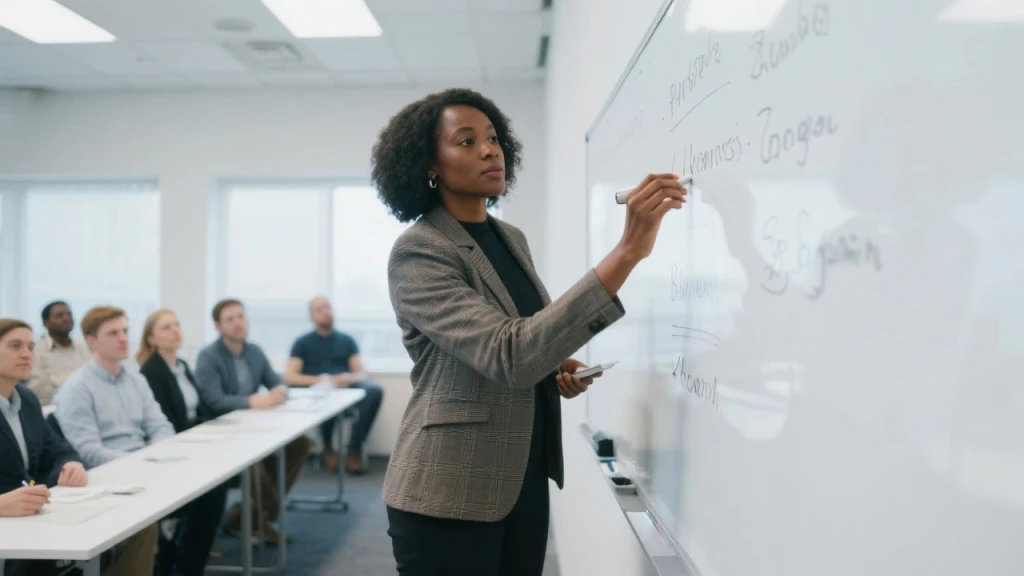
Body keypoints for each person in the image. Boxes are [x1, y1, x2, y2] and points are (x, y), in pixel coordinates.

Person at [371, 87, 686, 575]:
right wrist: (626, 252)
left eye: (493, 138)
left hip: (521, 477)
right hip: (447, 492)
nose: (489, 149)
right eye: (466, 140)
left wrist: (556, 367)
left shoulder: (509, 238)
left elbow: (518, 336)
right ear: (428, 165)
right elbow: (507, 354)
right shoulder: (419, 251)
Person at [53, 305, 169, 576]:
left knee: (204, 493)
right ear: (91, 341)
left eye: (126, 331)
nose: (123, 338)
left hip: (146, 467)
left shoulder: (135, 379)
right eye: (113, 333)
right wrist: (143, 463)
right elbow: (88, 451)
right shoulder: (77, 388)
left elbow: (161, 426)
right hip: (107, 479)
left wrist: (159, 456)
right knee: (145, 526)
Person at [194, 299, 311, 546]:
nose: (238, 323)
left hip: (253, 428)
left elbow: (276, 381)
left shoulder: (254, 351)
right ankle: (255, 519)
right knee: (253, 463)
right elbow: (214, 401)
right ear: (218, 326)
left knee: (300, 444)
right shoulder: (208, 357)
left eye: (240, 317)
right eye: (230, 319)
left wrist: (280, 391)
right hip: (222, 434)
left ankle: (249, 516)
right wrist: (253, 401)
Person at [137, 309, 229, 576]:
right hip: (176, 447)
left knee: (219, 482)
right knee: (212, 488)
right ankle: (181, 557)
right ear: (152, 339)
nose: (175, 331)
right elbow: (165, 422)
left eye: (177, 324)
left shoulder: (182, 366)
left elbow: (200, 409)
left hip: (193, 441)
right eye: (166, 327)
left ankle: (189, 559)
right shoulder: (152, 372)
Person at [0, 318, 89, 576]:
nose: (27, 354)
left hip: (31, 524)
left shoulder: (26, 399)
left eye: (30, 346)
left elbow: (57, 448)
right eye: (15, 346)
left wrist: (70, 465)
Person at [283, 296, 384, 474]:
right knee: (327, 395)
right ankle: (327, 448)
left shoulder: (346, 340)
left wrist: (347, 378)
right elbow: (291, 377)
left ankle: (353, 450)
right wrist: (323, 381)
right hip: (318, 390)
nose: (326, 312)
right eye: (320, 310)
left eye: (328, 307)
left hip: (346, 389)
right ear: (312, 316)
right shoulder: (302, 343)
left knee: (374, 391)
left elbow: (361, 372)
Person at [27, 301, 92, 405]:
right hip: (50, 411)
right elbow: (40, 391)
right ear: (46, 323)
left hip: (87, 406)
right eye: (59, 315)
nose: (66, 318)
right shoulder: (35, 351)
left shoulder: (86, 348)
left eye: (69, 314)